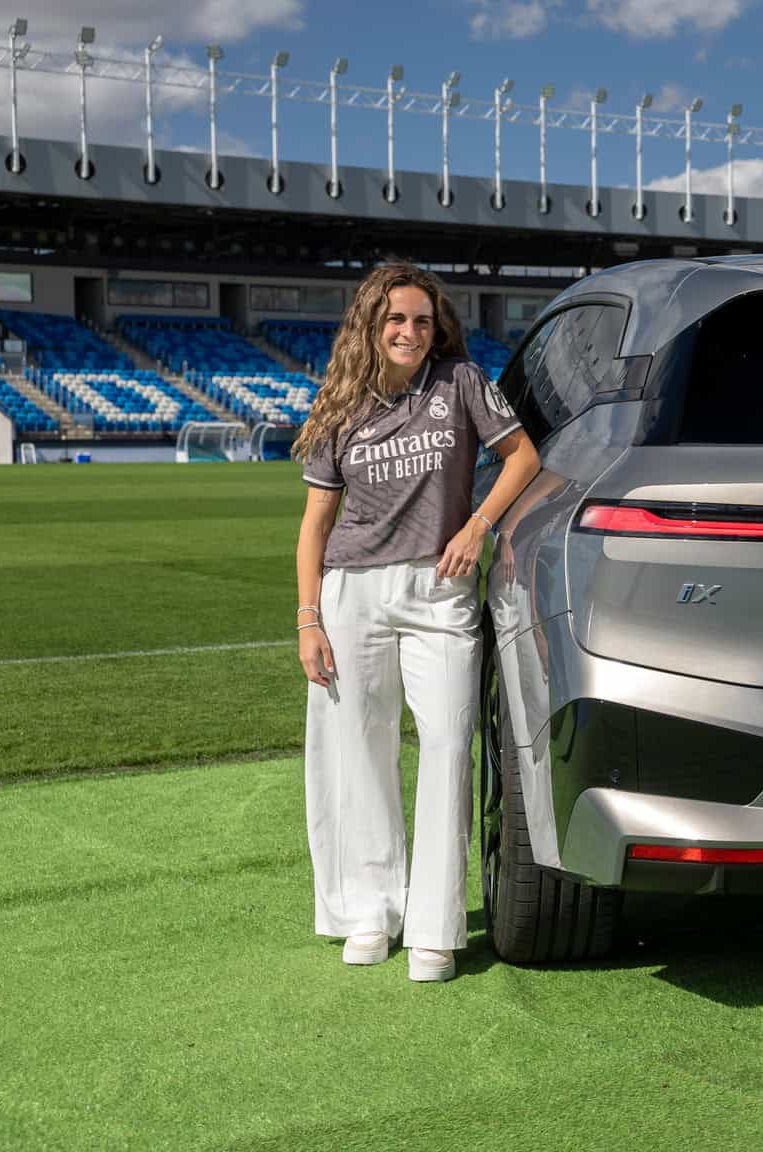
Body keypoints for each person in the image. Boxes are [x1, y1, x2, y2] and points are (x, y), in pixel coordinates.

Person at [292, 262, 540, 982]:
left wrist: (477, 526)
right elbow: (315, 525)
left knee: (448, 747)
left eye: (422, 321)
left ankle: (435, 926)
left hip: (441, 593)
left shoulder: (461, 382)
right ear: (371, 325)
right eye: (396, 319)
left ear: (438, 329)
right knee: (358, 751)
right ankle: (370, 911)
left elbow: (522, 457)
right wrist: (309, 619)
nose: (409, 331)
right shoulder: (339, 404)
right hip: (351, 594)